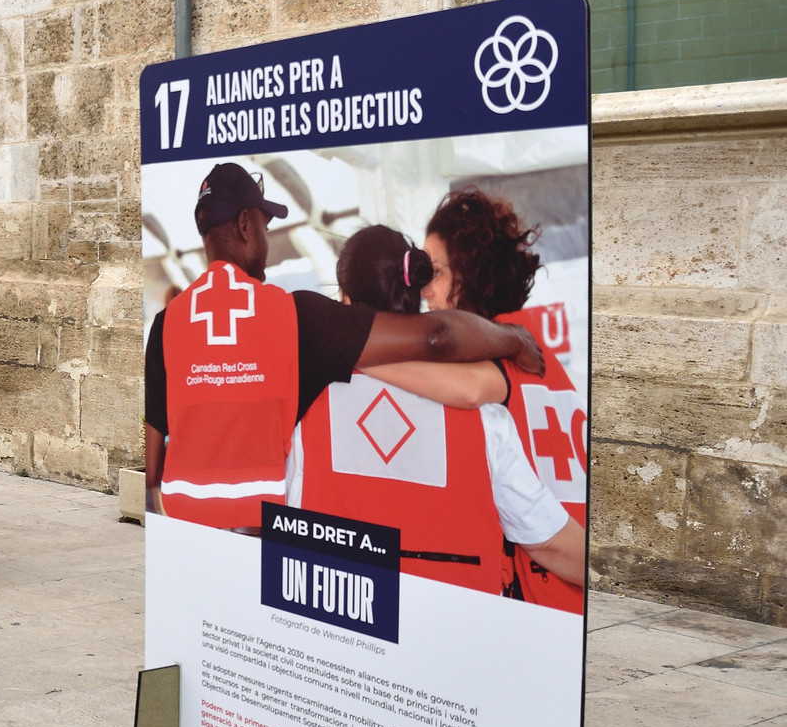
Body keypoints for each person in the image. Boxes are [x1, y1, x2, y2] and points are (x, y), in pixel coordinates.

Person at [143, 163, 545, 530]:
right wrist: (514, 338)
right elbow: (434, 336)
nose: (265, 240)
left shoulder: (165, 325)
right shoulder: (293, 316)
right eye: (265, 227)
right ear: (246, 224)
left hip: (184, 534)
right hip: (259, 539)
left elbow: (151, 465)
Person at [285, 225, 581, 599]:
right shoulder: (485, 417)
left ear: (344, 300)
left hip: (341, 637)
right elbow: (548, 541)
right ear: (417, 296)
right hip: (457, 639)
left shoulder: (302, 404)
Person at [424, 187, 589, 612]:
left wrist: (351, 348)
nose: (426, 291)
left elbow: (467, 388)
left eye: (436, 272)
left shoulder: (493, 361)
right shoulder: (536, 348)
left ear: (471, 273)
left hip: (550, 596)